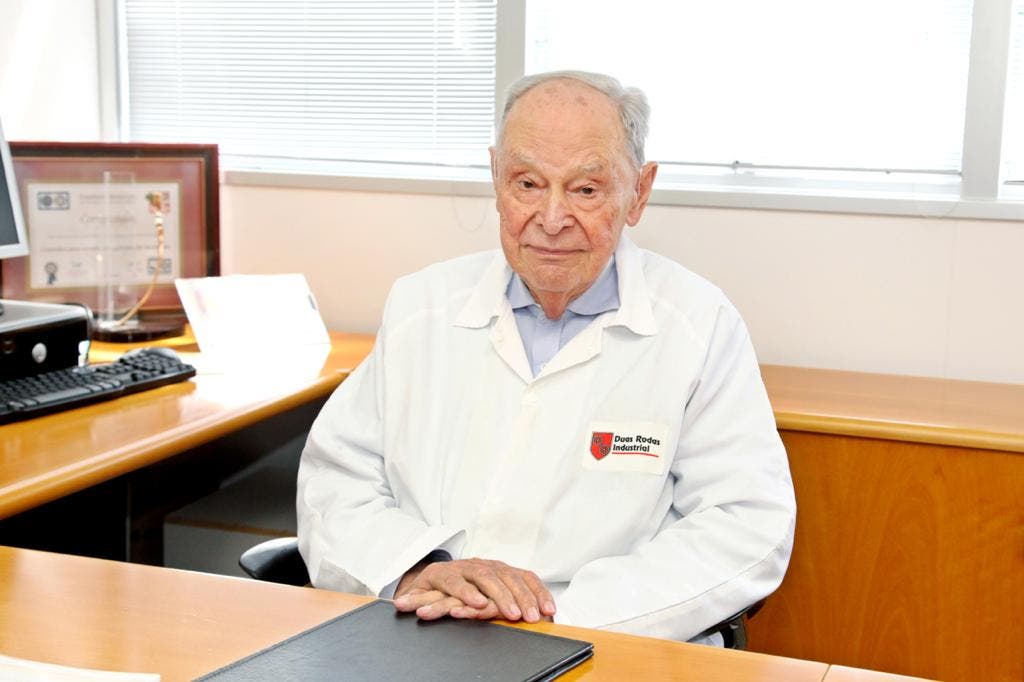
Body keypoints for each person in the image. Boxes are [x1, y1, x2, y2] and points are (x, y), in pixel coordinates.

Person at [297, 70, 796, 644]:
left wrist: (559, 614)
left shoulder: (700, 325)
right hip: (424, 629)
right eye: (528, 184)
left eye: (585, 190)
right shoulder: (421, 307)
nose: (552, 219)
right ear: (496, 179)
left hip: (605, 639)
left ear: (639, 192)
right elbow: (335, 481)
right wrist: (417, 568)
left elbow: (745, 523)